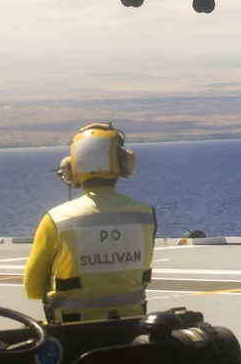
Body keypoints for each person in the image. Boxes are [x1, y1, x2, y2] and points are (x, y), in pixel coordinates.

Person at [24, 122, 157, 323]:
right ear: (125, 164)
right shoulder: (146, 215)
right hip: (133, 326)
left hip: (71, 331)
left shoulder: (56, 219)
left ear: (70, 168)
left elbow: (32, 289)